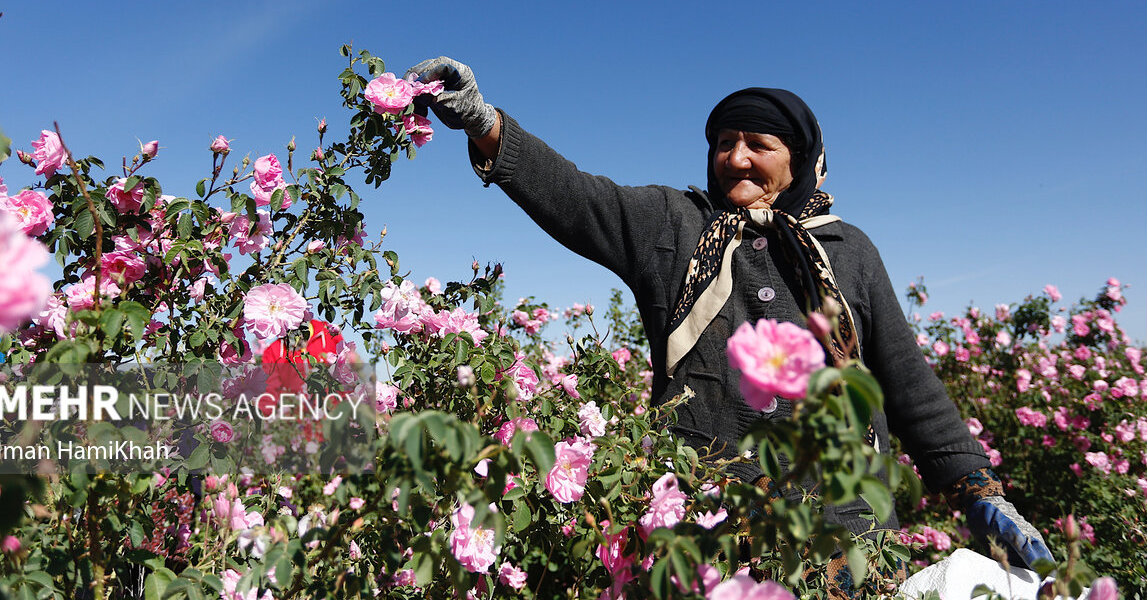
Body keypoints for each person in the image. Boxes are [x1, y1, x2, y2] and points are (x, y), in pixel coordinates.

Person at [407, 56, 1053, 586]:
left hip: (844, 542)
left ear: (798, 160)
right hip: (708, 535)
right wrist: (485, 123)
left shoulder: (847, 251)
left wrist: (979, 490)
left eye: (758, 144)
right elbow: (577, 198)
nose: (736, 157)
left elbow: (910, 386)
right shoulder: (673, 224)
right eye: (724, 142)